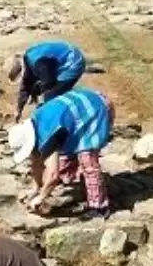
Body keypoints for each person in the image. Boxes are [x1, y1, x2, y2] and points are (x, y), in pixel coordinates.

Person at [8, 87, 115, 219]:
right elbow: (36, 163)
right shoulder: (36, 126)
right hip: (78, 113)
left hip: (96, 108)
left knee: (87, 160)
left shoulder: (48, 135)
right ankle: (81, 184)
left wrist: (41, 198)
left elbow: (53, 175)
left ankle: (100, 207)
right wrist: (35, 189)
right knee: (64, 163)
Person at [5, 41, 87, 122]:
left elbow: (49, 82)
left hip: (73, 61)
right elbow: (26, 87)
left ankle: (56, 121)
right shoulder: (28, 62)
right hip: (58, 63)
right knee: (48, 95)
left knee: (51, 96)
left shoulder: (39, 63)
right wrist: (18, 109)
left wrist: (37, 91)